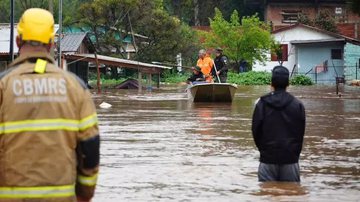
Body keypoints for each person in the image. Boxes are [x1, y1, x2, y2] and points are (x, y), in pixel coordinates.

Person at [0, 8, 100, 202]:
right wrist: (84, 194)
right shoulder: (76, 88)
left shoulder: (3, 86)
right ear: (52, 43)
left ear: (18, 41)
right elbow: (90, 148)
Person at [251, 65, 305, 182]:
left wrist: (264, 151)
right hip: (290, 158)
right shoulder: (298, 105)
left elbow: (256, 131)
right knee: (291, 194)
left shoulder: (261, 104)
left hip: (267, 159)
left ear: (271, 83)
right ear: (288, 84)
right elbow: (300, 133)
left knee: (266, 193)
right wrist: (294, 153)